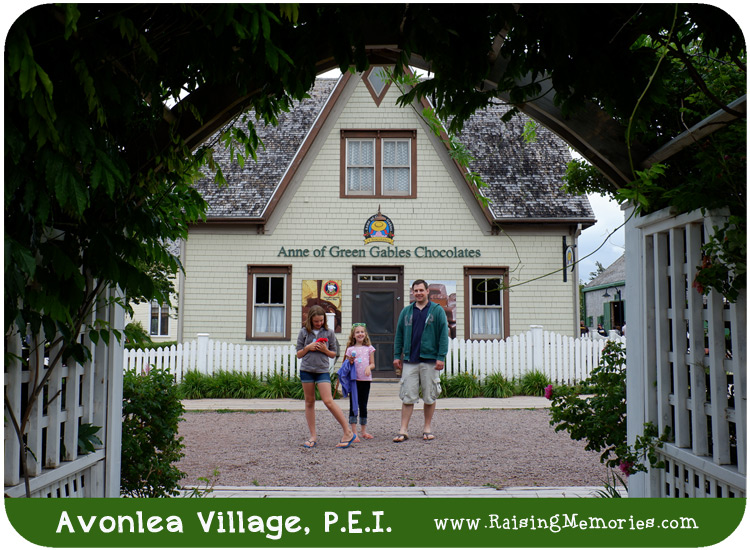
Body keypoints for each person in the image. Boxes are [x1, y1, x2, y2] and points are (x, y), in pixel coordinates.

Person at [392, 279, 449, 442]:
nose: (418, 293)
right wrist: (397, 355)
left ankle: (427, 428)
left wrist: (441, 357)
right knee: (408, 396)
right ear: (412, 292)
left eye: (421, 290)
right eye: (415, 291)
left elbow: (443, 335)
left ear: (427, 291)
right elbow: (399, 335)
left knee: (430, 396)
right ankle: (403, 430)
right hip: (410, 360)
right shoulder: (407, 311)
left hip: (430, 360)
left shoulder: (437, 311)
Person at [296, 305, 356, 449]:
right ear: (310, 320)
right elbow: (299, 354)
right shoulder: (303, 332)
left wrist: (325, 349)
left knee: (328, 400)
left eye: (321, 320)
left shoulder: (329, 333)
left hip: (322, 370)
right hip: (306, 370)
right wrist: (308, 347)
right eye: (316, 321)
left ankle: (348, 432)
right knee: (309, 402)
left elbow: (334, 354)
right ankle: (313, 436)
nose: (319, 323)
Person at [344, 323, 376, 441]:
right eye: (357, 332)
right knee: (353, 404)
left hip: (366, 380)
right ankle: (354, 432)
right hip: (354, 380)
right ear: (353, 335)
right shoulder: (350, 349)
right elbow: (347, 365)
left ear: (365, 334)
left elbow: (372, 363)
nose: (360, 334)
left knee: (363, 404)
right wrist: (350, 361)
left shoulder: (369, 348)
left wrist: (369, 367)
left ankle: (363, 431)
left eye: (362, 332)